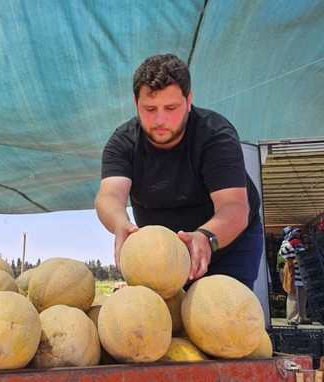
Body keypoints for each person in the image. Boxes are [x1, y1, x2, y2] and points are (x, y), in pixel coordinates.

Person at [95, 54, 263, 290]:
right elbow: (110, 195)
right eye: (149, 109)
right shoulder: (123, 143)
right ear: (136, 103)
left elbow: (234, 206)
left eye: (171, 108)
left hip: (227, 243)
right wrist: (119, 223)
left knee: (223, 310)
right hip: (163, 256)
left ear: (189, 100)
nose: (160, 119)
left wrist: (206, 237)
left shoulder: (215, 135)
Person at [280, 226, 309, 325]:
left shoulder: (300, 243)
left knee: (302, 296)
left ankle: (302, 317)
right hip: (292, 270)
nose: (298, 234)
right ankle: (292, 318)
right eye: (295, 232)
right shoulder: (285, 243)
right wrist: (291, 243)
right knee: (293, 295)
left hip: (301, 272)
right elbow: (282, 252)